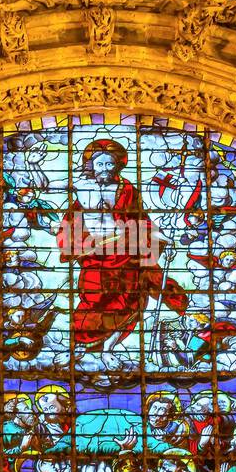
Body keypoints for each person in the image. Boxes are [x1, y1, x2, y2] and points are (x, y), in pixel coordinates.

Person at [58, 138, 188, 350]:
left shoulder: (126, 189)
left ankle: (109, 347)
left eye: (110, 164)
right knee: (92, 299)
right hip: (94, 255)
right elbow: (72, 220)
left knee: (128, 301)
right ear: (91, 165)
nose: (105, 169)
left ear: (118, 165)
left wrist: (158, 237)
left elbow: (139, 218)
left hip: (124, 251)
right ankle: (82, 346)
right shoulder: (81, 187)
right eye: (100, 164)